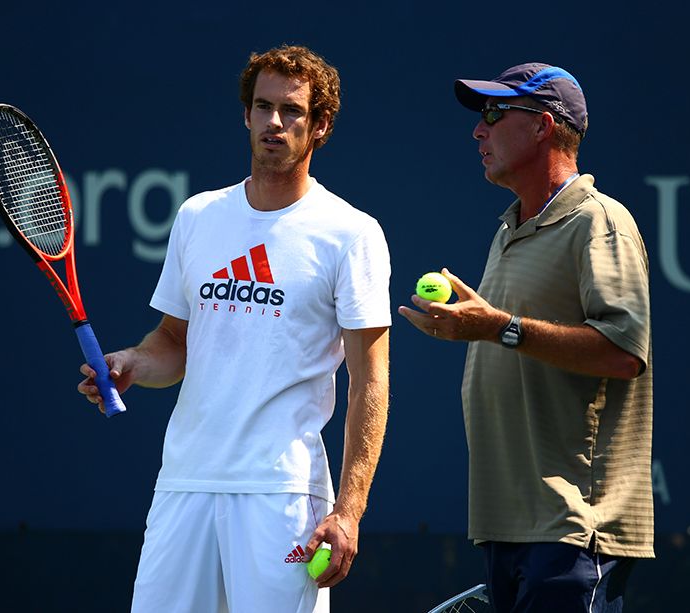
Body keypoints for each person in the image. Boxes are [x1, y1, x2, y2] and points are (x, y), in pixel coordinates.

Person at [78, 45, 391, 612]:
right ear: (246, 115)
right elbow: (174, 342)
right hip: (186, 482)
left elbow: (370, 382)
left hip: (283, 494)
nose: (274, 122)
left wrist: (348, 511)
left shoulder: (352, 233)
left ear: (320, 125)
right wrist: (130, 364)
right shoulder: (198, 216)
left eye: (292, 111)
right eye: (262, 106)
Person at [399, 63, 654, 612]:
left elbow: (622, 353)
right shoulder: (509, 229)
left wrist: (499, 327)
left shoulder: (599, 222)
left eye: (493, 113)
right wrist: (481, 330)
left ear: (542, 125)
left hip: (574, 528)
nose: (478, 130)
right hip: (510, 523)